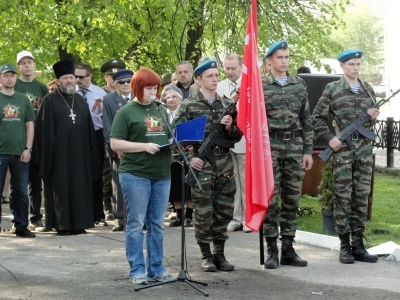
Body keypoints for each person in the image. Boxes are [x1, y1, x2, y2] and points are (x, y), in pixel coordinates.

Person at [173, 59, 242, 272]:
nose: (214, 79)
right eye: (209, 76)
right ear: (199, 79)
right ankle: (205, 254)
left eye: (216, 75)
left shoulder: (226, 104)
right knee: (204, 210)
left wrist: (230, 128)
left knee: (224, 209)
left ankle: (219, 253)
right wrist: (188, 158)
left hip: (224, 163)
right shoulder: (189, 105)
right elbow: (175, 137)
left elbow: (237, 136)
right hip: (202, 164)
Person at [312, 49, 379, 264]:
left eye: (358, 64)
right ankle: (344, 245)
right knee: (343, 197)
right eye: (351, 64)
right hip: (343, 152)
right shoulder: (333, 89)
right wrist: (330, 138)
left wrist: (372, 117)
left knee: (361, 197)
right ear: (342, 66)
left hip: (364, 153)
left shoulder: (368, 90)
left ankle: (358, 244)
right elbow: (317, 118)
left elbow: (369, 124)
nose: (356, 68)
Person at [110, 67, 174, 285]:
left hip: (161, 173)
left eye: (156, 87)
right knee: (136, 223)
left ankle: (156, 268)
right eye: (148, 88)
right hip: (135, 173)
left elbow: (167, 136)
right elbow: (115, 143)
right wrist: (143, 146)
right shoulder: (126, 111)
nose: (153, 92)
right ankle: (137, 270)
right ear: (137, 88)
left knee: (156, 223)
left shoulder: (161, 110)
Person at [262, 40, 313, 269]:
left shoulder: (299, 85)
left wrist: (307, 151)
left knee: (292, 199)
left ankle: (288, 247)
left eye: (286, 57)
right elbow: (252, 121)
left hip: (294, 146)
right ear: (270, 60)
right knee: (271, 200)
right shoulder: (260, 86)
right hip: (270, 147)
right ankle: (271, 247)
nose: (284, 61)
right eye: (280, 57)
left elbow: (306, 120)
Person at [36, 60, 101, 235]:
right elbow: (44, 131)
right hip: (59, 156)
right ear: (57, 81)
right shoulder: (49, 101)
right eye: (65, 78)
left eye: (71, 77)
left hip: (80, 153)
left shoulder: (80, 100)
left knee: (80, 187)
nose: (69, 81)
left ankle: (80, 223)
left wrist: (90, 153)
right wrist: (48, 156)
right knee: (62, 188)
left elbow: (89, 128)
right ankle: (62, 225)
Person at [0, 63, 36, 238]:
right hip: (1, 152)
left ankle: (21, 225)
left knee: (21, 191)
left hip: (20, 152)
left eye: (12, 75)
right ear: (0, 78)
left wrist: (28, 148)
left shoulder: (23, 99)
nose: (9, 78)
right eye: (6, 75)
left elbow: (30, 125)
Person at [216, 53, 251, 233]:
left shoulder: (249, 85)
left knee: (245, 180)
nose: (230, 72)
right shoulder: (220, 87)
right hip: (226, 140)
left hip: (245, 139)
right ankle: (235, 217)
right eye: (227, 68)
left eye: (233, 68)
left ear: (241, 67)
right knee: (232, 180)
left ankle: (247, 217)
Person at [15, 50, 48, 230]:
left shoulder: (41, 87)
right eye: (23, 63)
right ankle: (18, 218)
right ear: (19, 66)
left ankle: (36, 216)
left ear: (34, 65)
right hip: (19, 137)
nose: (27, 65)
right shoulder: (15, 85)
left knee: (36, 180)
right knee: (19, 182)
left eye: (30, 62)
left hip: (37, 137)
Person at [75, 63, 108, 226]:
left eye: (81, 77)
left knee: (96, 175)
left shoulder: (100, 94)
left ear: (90, 76)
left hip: (95, 135)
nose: (78, 80)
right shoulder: (70, 92)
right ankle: (81, 212)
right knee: (78, 175)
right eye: (76, 76)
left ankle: (98, 213)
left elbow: (106, 119)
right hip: (75, 137)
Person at [103, 68, 134, 232]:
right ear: (115, 84)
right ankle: (120, 218)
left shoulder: (139, 97)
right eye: (122, 82)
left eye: (129, 81)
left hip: (138, 148)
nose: (126, 84)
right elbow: (107, 125)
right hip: (117, 148)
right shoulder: (108, 100)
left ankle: (137, 217)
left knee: (138, 183)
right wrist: (115, 146)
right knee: (119, 183)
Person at [160, 85, 194, 227]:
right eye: (168, 97)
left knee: (188, 183)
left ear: (181, 99)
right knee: (175, 184)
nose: (171, 99)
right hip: (170, 153)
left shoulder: (186, 112)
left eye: (174, 96)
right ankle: (179, 215)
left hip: (185, 151)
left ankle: (189, 216)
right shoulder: (162, 114)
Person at [100, 58, 126, 222]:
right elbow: (107, 124)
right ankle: (116, 213)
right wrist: (115, 145)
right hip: (113, 144)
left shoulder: (133, 95)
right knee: (112, 179)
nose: (121, 82)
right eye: (112, 76)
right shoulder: (105, 97)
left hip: (133, 145)